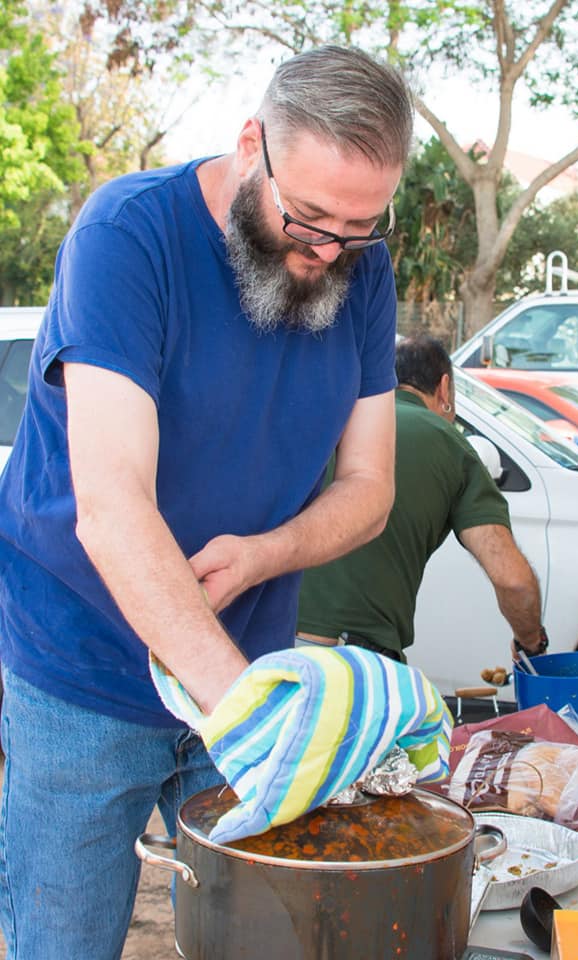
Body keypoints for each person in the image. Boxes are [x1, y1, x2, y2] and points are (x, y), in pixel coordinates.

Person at [0, 46, 413, 959]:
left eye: (359, 227)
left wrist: (266, 555)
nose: (327, 252)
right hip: (84, 668)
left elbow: (369, 489)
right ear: (250, 143)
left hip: (245, 656)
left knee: (262, 940)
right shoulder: (126, 236)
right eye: (307, 217)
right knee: (61, 940)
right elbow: (109, 507)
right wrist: (251, 717)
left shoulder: (362, 271)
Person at [297, 334, 547, 663]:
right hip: (353, 663)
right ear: (444, 389)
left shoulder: (332, 418)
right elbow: (513, 581)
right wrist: (531, 643)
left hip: (263, 645)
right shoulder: (449, 443)